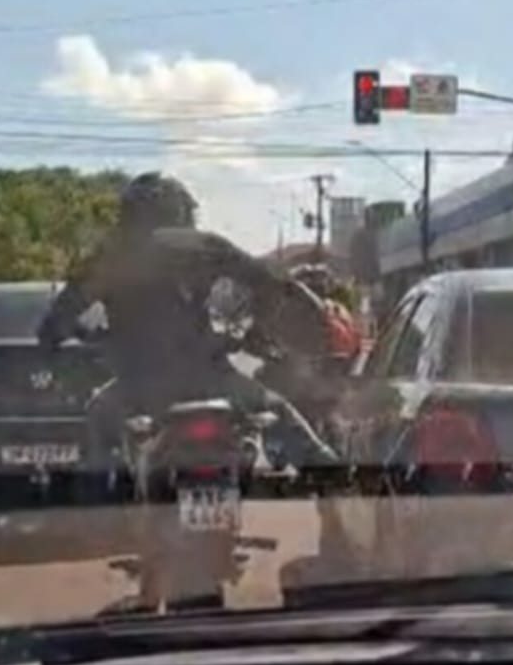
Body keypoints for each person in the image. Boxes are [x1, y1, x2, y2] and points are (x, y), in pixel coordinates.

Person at [36, 171, 338, 474]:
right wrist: (257, 331)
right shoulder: (208, 245)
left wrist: (68, 336)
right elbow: (269, 283)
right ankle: (331, 469)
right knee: (277, 410)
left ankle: (93, 516)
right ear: (181, 209)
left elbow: (59, 318)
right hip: (209, 376)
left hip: (141, 382)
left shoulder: (113, 255)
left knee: (98, 424)